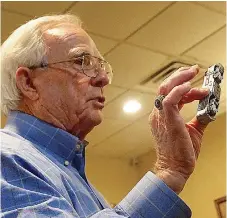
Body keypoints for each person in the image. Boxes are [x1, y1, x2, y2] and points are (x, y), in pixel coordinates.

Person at [1, 14, 210, 218]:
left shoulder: (71, 172)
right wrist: (170, 171)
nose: (103, 78)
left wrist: (174, 171)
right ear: (28, 83)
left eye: (101, 66)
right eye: (82, 61)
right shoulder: (7, 157)